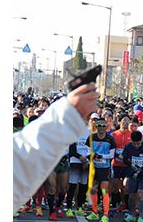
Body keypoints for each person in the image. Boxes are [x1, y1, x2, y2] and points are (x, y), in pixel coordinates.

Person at [13, 83, 99, 212]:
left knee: (63, 189)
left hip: (64, 160)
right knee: (52, 187)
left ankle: (58, 206)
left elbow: (73, 145)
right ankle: (51, 211)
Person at [85, 118, 117, 222]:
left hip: (105, 168)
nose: (102, 128)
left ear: (106, 126)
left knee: (104, 190)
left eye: (104, 125)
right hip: (94, 168)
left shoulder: (110, 139)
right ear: (96, 126)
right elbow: (86, 152)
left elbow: (112, 155)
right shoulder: (91, 138)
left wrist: (101, 156)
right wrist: (93, 156)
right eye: (100, 125)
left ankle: (105, 214)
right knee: (93, 189)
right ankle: (94, 211)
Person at [122, 131, 143, 222]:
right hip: (132, 174)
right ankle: (131, 214)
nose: (136, 145)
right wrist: (131, 165)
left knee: (141, 194)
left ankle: (140, 217)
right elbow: (124, 159)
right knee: (131, 194)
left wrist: (140, 170)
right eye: (134, 143)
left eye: (138, 143)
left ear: (141, 140)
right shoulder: (128, 147)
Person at [111, 114, 132, 214]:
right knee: (115, 186)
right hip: (116, 164)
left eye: (127, 121)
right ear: (119, 122)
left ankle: (126, 205)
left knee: (126, 186)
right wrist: (117, 156)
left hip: (127, 165)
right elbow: (110, 149)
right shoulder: (114, 135)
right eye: (123, 121)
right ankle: (114, 205)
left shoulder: (132, 134)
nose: (125, 123)